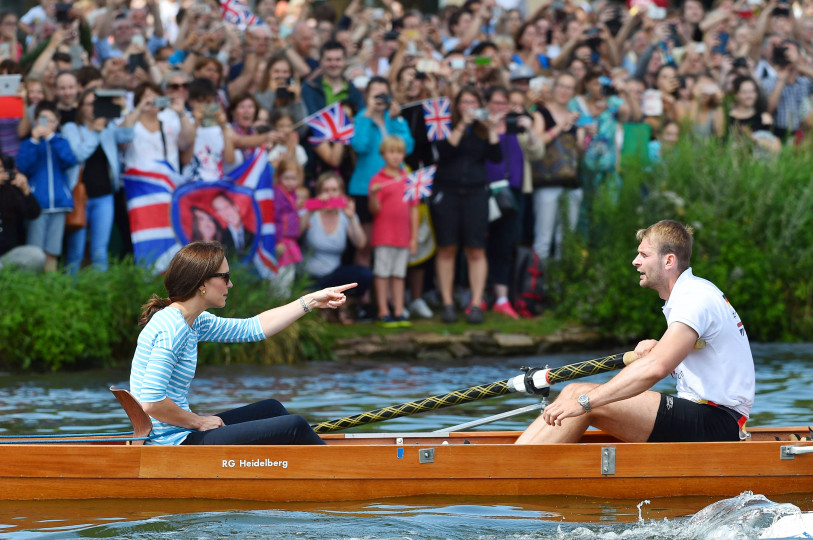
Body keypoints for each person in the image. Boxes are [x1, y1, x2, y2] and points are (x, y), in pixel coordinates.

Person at [516, 220, 755, 445]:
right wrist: (660, 345)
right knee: (571, 392)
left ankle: (508, 474)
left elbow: (655, 368)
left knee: (581, 397)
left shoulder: (694, 298)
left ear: (668, 261)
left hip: (718, 421)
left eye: (644, 254)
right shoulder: (693, 292)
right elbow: (687, 351)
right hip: (704, 414)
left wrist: (585, 404)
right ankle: (511, 462)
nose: (635, 261)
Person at [130, 241, 355, 445]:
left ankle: (289, 469)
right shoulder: (172, 328)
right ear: (202, 283)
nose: (231, 284)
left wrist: (312, 300)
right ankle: (340, 474)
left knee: (272, 409)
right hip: (171, 443)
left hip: (181, 433)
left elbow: (253, 328)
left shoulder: (194, 321)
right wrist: (198, 422)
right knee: (294, 425)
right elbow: (152, 402)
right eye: (225, 277)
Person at [430, 86, 502, 325]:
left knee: (476, 249)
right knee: (447, 248)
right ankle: (448, 303)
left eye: (473, 102)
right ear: (457, 106)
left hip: (475, 193)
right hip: (447, 192)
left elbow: (496, 157)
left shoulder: (482, 130)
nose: (468, 107)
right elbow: (445, 152)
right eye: (464, 102)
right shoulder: (445, 126)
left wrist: (491, 129)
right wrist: (462, 125)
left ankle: (475, 304)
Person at [61, 88, 139, 273]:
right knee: (76, 251)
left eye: (97, 104)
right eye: (90, 104)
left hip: (104, 196)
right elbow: (78, 154)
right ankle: (69, 293)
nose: (94, 108)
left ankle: (100, 295)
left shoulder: (109, 126)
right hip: (80, 196)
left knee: (100, 251)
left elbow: (128, 135)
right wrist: (95, 133)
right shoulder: (71, 128)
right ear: (81, 108)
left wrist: (125, 109)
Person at [16, 101, 77, 272]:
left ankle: (51, 291)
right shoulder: (29, 143)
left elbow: (69, 160)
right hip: (37, 205)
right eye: (43, 119)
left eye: (50, 120)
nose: (46, 124)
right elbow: (23, 166)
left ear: (57, 121)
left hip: (59, 204)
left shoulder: (61, 140)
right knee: (35, 251)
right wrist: (35, 141)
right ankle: (35, 291)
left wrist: (51, 138)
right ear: (35, 120)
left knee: (53, 251)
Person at [368, 135, 418, 328]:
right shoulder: (377, 179)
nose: (396, 156)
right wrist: (373, 194)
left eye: (399, 152)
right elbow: (374, 210)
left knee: (399, 274)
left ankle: (398, 311)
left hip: (403, 237)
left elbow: (414, 209)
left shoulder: (408, 178)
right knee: (382, 273)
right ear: (383, 154)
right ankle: (383, 311)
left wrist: (413, 238)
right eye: (391, 152)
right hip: (383, 236)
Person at [0, 158, 45, 272]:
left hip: (8, 255)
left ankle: (15, 286)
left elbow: (33, 214)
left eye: (1, 167)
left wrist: (25, 190)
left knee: (37, 256)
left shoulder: (10, 191)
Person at [211, 191, 254, 260]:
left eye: (226, 207)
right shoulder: (219, 242)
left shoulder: (253, 236)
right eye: (220, 210)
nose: (226, 213)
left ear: (235, 206)